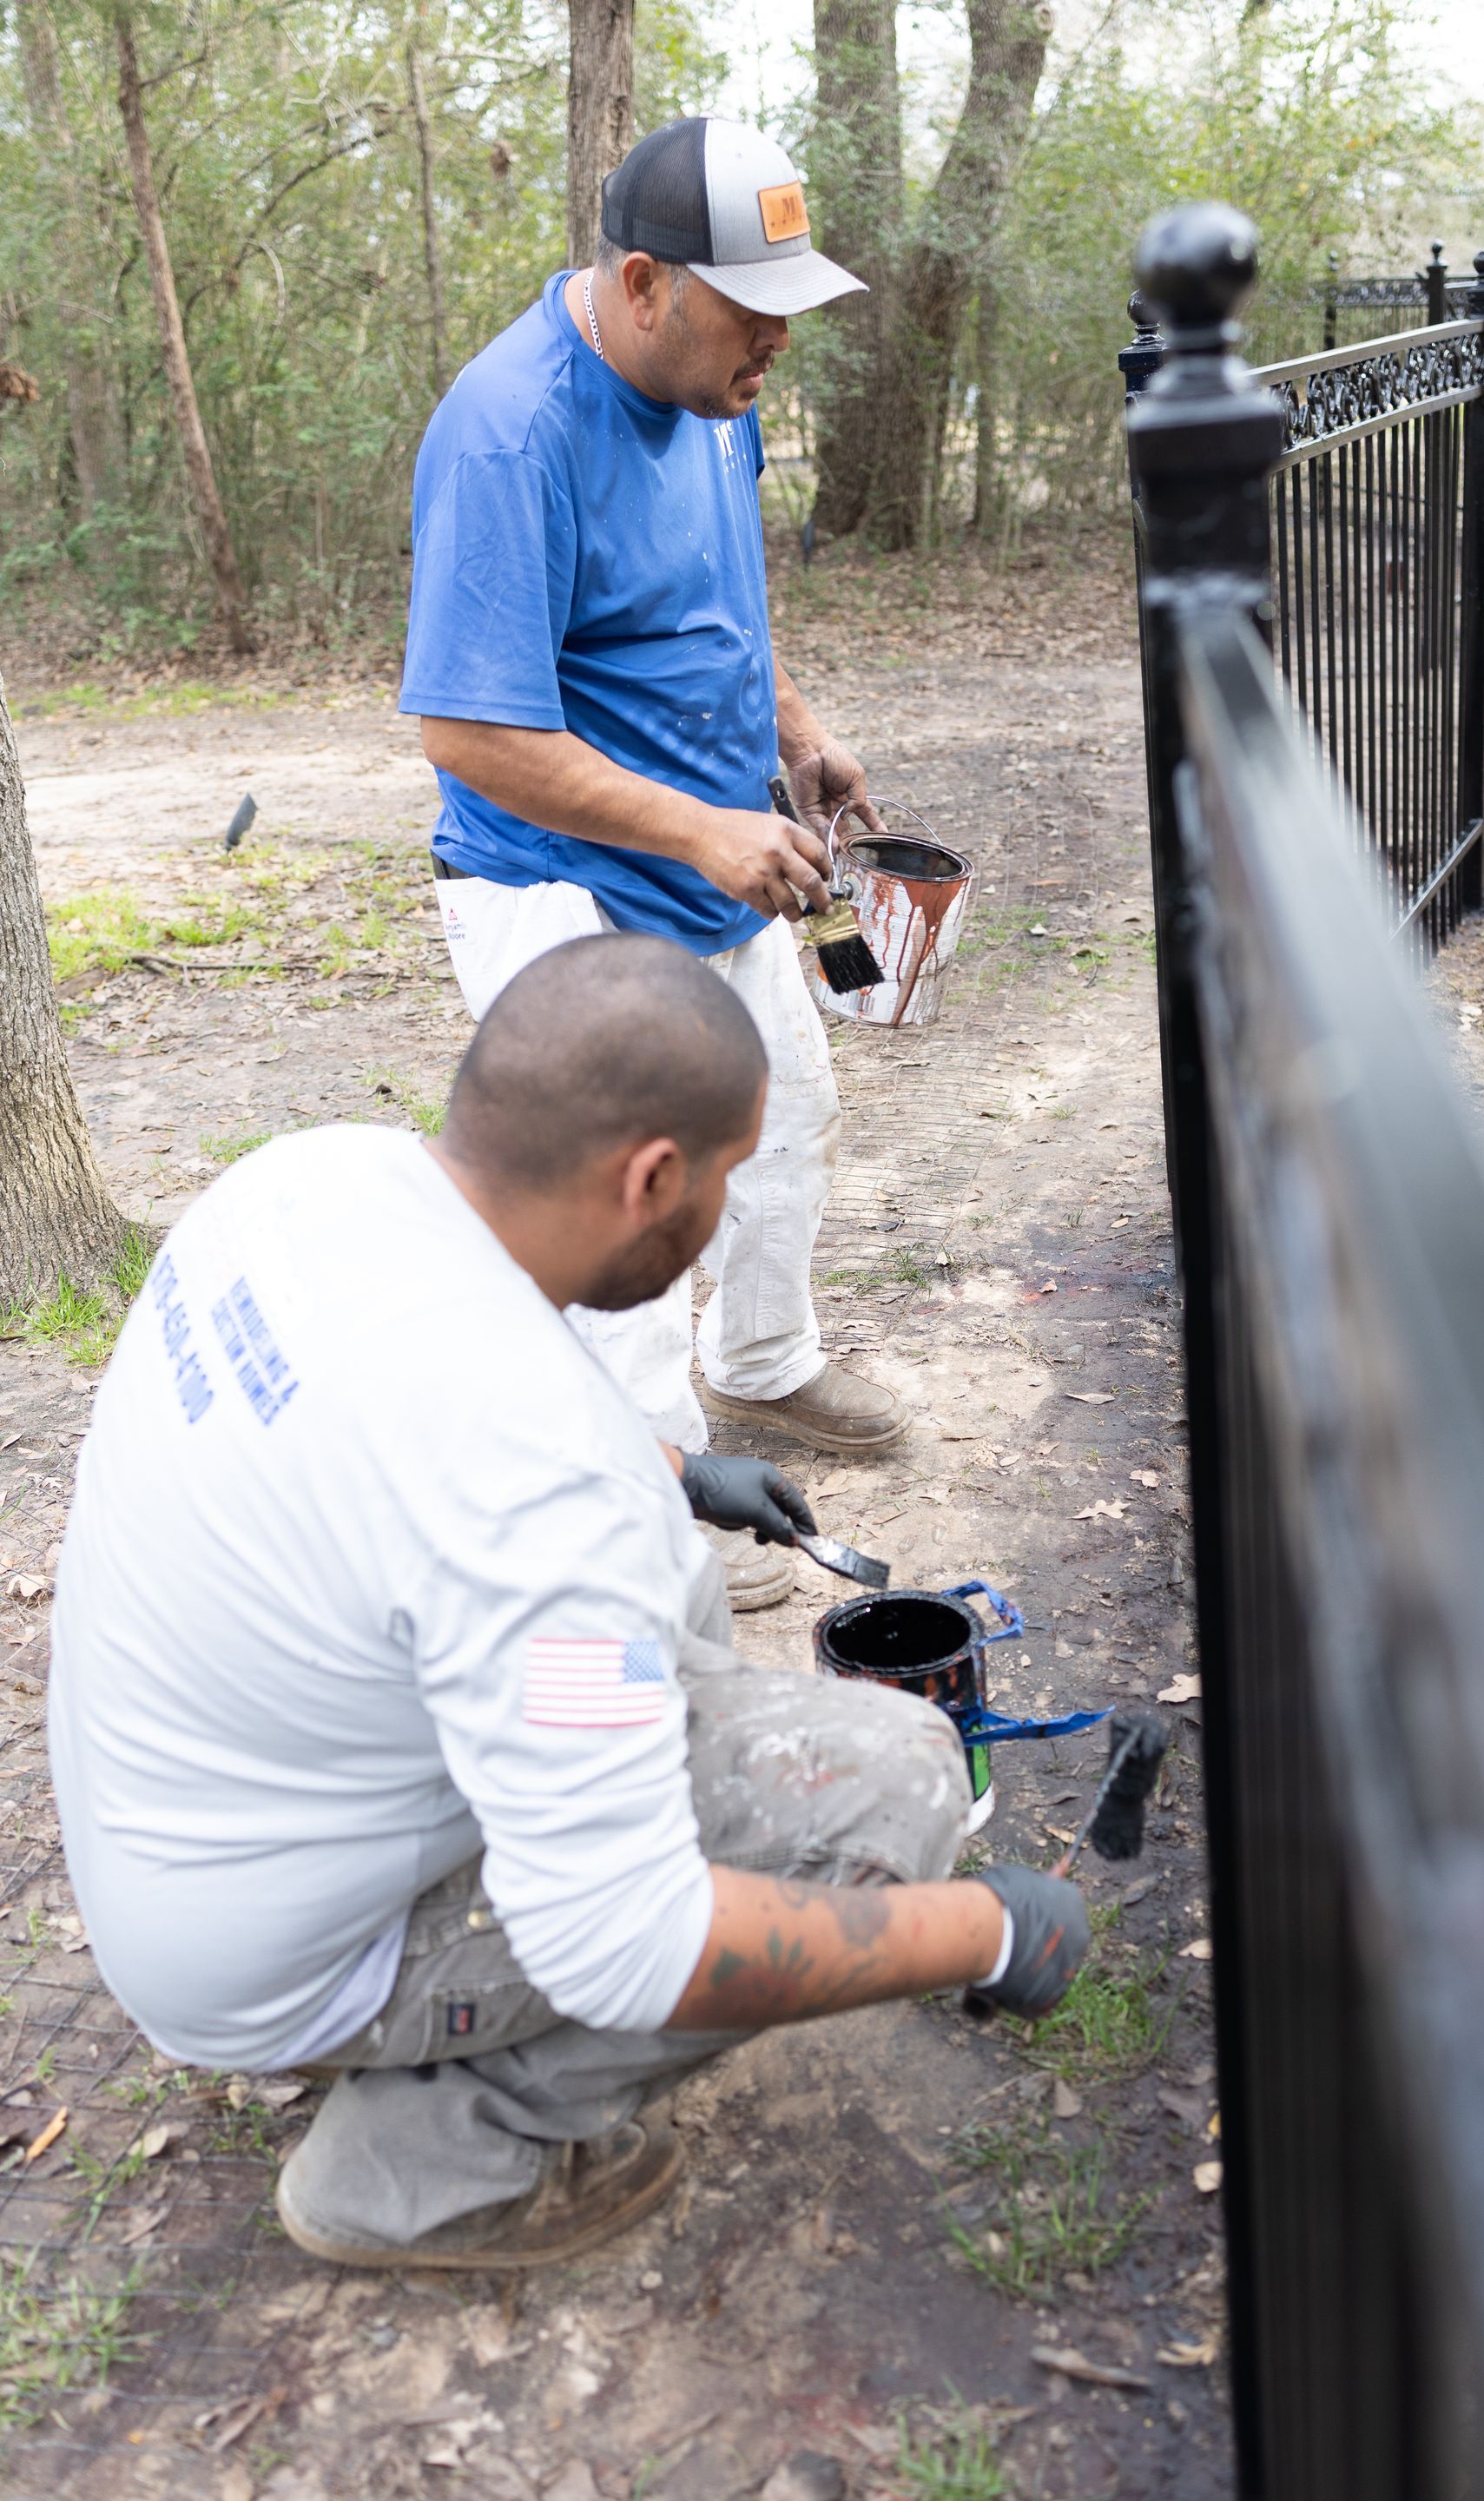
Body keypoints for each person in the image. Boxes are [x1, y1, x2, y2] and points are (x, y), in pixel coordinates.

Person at [48, 937, 1088, 2273]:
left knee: (667, 1687)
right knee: (892, 1780)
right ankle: (429, 2160)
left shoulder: (309, 1180)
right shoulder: (546, 1509)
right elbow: (620, 1946)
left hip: (190, 1847)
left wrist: (675, 1471)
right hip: (286, 1960)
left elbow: (396, 1445)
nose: (721, 1208)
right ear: (654, 1176)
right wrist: (984, 1931)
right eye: (727, 1175)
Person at [399, 115, 903, 1614]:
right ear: (642, 284)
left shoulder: (714, 389)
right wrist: (703, 827)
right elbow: (470, 732)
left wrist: (795, 736)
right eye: (757, 312)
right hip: (559, 890)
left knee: (788, 1118)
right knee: (628, 1209)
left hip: (717, 859)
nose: (778, 347)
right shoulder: (510, 430)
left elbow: (721, 599)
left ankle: (765, 1368)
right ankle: (655, 1505)